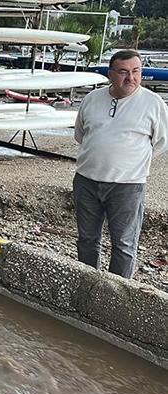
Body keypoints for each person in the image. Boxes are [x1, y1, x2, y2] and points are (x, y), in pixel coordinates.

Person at [73, 49, 168, 278]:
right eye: (124, 72)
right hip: (87, 181)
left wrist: (130, 162)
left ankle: (116, 296)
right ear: (110, 74)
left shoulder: (153, 103)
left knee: (124, 244)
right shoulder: (92, 99)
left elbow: (162, 142)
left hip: (127, 186)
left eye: (136, 72)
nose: (131, 78)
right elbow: (80, 134)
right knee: (87, 240)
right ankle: (87, 286)